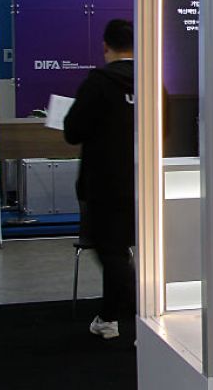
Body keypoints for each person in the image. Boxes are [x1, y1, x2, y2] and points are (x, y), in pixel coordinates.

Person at [63, 19, 137, 340]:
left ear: (105, 46)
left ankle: (146, 319)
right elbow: (164, 130)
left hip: (104, 184)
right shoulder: (152, 82)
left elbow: (72, 131)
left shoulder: (98, 83)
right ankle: (108, 318)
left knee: (112, 252)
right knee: (120, 252)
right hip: (143, 182)